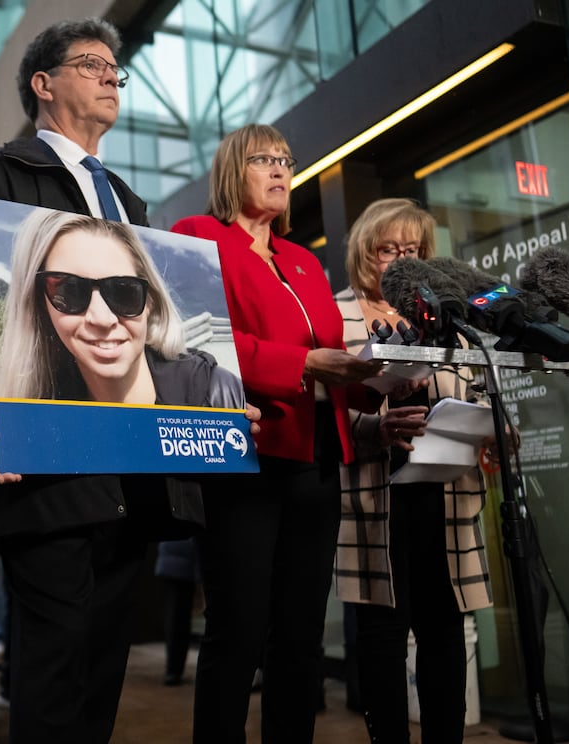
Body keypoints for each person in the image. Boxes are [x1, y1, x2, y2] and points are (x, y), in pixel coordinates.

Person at [0, 18, 258, 744]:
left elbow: (150, 341)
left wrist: (216, 410)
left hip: (134, 472)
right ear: (43, 84)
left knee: (103, 672)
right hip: (47, 462)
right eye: (91, 64)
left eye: (115, 69)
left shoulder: (128, 203)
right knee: (53, 676)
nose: (111, 76)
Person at [171, 123, 382, 743]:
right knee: (238, 630)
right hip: (246, 454)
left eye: (287, 160)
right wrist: (304, 364)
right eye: (264, 158)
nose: (280, 169)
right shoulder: (198, 236)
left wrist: (382, 381)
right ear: (232, 169)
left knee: (300, 636)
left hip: (318, 458)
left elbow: (333, 361)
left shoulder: (305, 261)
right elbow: (196, 338)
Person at [334, 198, 493, 744]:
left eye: (413, 250)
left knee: (445, 631)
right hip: (376, 496)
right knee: (382, 634)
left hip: (445, 494)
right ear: (365, 252)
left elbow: (476, 391)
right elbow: (323, 407)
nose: (403, 260)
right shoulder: (337, 313)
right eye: (389, 249)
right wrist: (373, 428)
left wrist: (493, 428)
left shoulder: (450, 319)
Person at [0, 209, 242, 407]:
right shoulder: (35, 430)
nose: (102, 318)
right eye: (70, 292)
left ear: (150, 302)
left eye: (123, 292)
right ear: (42, 307)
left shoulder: (214, 393)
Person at [154, 537, 199, 686]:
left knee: (176, 613)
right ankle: (173, 669)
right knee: (178, 615)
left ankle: (173, 669)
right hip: (184, 550)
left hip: (176, 547)